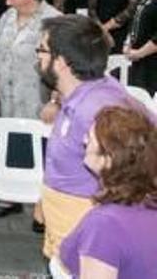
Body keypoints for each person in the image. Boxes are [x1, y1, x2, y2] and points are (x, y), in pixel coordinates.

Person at [37, 15, 135, 260]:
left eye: (42, 50)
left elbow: (131, 180)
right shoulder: (81, 93)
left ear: (60, 62)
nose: (37, 56)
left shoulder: (100, 111)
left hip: (84, 247)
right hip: (65, 236)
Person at [52, 106, 157, 279]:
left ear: (109, 158)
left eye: (91, 139)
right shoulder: (147, 205)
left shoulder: (105, 225)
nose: (84, 140)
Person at [0, 0, 61, 214]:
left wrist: (55, 100)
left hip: (37, 100)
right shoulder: (7, 17)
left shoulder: (53, 21)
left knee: (42, 152)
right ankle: (11, 198)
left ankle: (45, 208)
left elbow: (63, 66)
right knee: (13, 144)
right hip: (8, 97)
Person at [124, 0, 157, 93]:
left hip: (152, 61)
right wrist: (127, 43)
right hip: (139, 60)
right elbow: (135, 19)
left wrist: (140, 53)